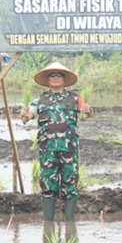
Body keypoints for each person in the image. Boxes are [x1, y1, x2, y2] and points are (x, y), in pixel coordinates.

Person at [20, 62, 91, 222]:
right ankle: (49, 224)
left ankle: (70, 225)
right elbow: (29, 114)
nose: (56, 78)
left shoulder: (75, 98)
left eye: (59, 75)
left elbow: (85, 112)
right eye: (52, 75)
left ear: (64, 79)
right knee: (47, 186)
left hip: (69, 150)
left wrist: (88, 111)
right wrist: (24, 114)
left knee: (70, 186)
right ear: (47, 79)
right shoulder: (40, 100)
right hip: (48, 151)